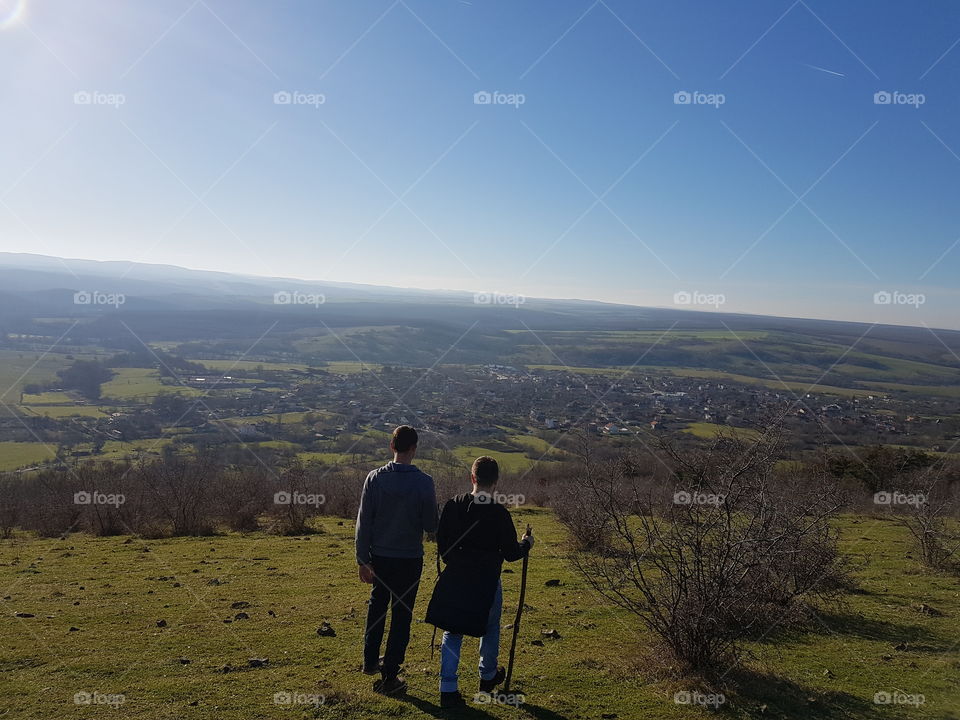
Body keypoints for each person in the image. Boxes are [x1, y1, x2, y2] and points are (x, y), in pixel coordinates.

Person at [426, 456, 534, 708]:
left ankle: (448, 689)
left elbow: (443, 547)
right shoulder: (499, 513)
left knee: (452, 630)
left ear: (472, 478)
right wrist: (526, 544)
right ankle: (487, 677)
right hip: (486, 581)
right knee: (491, 627)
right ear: (495, 482)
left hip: (456, 578)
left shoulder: (453, 506)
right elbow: (511, 554)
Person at [355, 425, 438, 695]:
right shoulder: (424, 482)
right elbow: (430, 525)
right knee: (401, 615)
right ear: (414, 449)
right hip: (409, 559)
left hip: (379, 557)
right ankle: (390, 673)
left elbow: (363, 521)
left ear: (392, 447)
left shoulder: (375, 478)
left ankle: (370, 661)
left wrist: (362, 559)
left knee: (376, 608)